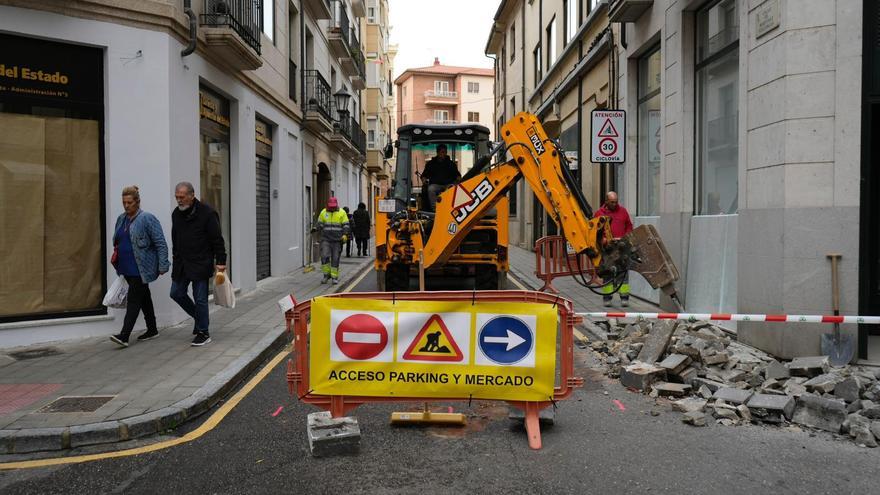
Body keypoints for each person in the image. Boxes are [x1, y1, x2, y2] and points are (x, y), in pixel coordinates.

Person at [109, 186, 170, 348]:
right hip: (125, 267)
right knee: (144, 297)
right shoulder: (121, 219)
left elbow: (160, 243)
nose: (126, 205)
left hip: (141, 268)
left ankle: (124, 335)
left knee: (135, 300)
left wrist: (164, 264)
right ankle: (152, 329)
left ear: (138, 202)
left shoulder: (147, 218)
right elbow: (118, 240)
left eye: (129, 202)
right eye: (124, 202)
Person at [169, 182, 227, 347]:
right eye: (177, 197)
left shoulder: (207, 214)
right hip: (182, 264)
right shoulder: (176, 214)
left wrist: (221, 261)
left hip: (200, 262)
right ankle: (199, 318)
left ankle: (203, 332)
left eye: (182, 197)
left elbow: (217, 240)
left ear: (192, 195)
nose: (179, 201)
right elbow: (175, 238)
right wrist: (175, 258)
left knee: (200, 298)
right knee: (176, 293)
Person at [594, 191, 634, 307]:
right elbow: (595, 232)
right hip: (607, 249)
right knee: (607, 272)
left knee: (623, 273)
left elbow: (629, 226)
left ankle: (624, 298)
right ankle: (607, 298)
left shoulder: (623, 211)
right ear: (606, 201)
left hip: (621, 247)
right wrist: (603, 240)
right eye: (612, 202)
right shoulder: (599, 214)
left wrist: (626, 237)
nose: (614, 204)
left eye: (616, 202)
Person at [317, 197, 350, 284]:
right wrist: (317, 227)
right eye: (330, 206)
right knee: (324, 256)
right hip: (326, 239)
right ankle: (326, 275)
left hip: (337, 240)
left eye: (333, 206)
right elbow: (320, 223)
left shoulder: (342, 212)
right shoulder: (323, 212)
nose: (332, 208)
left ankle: (334, 277)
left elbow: (346, 225)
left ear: (336, 204)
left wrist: (345, 234)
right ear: (327, 204)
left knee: (335, 258)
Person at [422, 143, 460, 211]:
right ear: (438, 152)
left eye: (445, 152)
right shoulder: (431, 164)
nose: (444, 154)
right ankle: (435, 209)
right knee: (431, 189)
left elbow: (457, 175)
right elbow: (424, 175)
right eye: (442, 152)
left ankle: (450, 208)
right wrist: (424, 180)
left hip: (448, 185)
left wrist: (458, 179)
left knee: (452, 188)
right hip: (435, 184)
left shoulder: (451, 164)